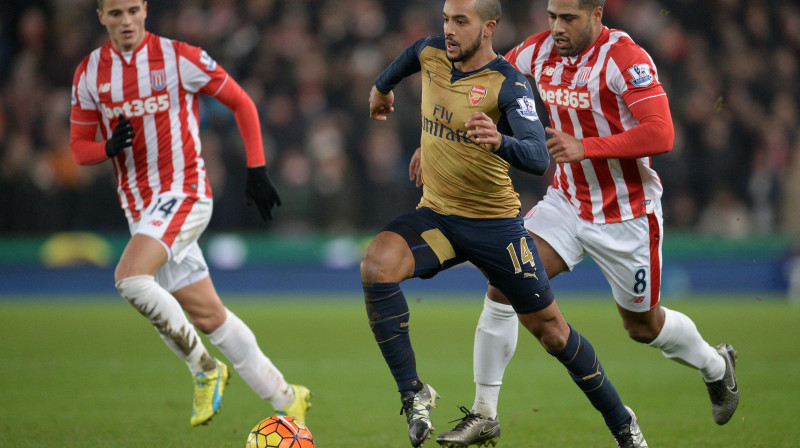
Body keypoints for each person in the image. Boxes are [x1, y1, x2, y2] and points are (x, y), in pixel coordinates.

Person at [420, 0, 739, 446]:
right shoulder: (534, 53)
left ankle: (716, 366)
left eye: (568, 18)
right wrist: (438, 139)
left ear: (596, 15)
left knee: (642, 327)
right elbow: (487, 90)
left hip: (627, 214)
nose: (557, 27)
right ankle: (484, 412)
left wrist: (586, 147)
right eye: (551, 16)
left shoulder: (625, 59)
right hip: (567, 203)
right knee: (504, 281)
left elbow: (661, 132)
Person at [363, 0, 646, 446]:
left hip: (495, 228)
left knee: (553, 334)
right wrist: (381, 90)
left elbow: (536, 156)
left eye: (461, 22)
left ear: (488, 27)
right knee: (377, 267)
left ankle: (622, 423)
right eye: (446, 20)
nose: (449, 31)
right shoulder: (431, 53)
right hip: (437, 217)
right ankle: (414, 393)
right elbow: (405, 59)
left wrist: (500, 140)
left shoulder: (510, 84)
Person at [69, 0, 311, 427]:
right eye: (115, 13)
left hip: (185, 194)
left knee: (129, 278)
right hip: (141, 210)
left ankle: (205, 369)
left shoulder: (180, 57)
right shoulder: (90, 73)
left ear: (145, 9)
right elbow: (78, 148)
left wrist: (257, 170)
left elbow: (242, 102)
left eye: (132, 10)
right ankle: (287, 397)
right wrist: (106, 148)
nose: (125, 21)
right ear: (100, 16)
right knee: (208, 315)